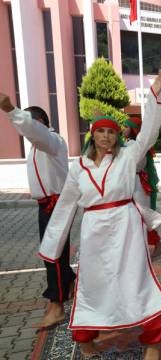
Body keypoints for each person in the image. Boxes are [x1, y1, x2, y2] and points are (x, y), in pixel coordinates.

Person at [38, 71, 161, 359]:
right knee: (93, 285)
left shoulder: (129, 156)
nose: (106, 136)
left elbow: (148, 132)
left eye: (111, 131)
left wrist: (155, 96)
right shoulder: (79, 169)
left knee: (136, 280)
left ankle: (153, 342)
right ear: (93, 135)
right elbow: (65, 207)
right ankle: (85, 341)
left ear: (117, 136)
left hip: (126, 226)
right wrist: (52, 246)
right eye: (101, 131)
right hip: (94, 230)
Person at [0, 93, 76, 329]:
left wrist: (11, 110)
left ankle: (57, 306)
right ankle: (69, 283)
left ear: (42, 123)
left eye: (32, 123)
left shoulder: (52, 140)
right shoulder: (36, 147)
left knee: (52, 254)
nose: (27, 131)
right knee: (54, 253)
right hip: (46, 205)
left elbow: (36, 132)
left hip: (57, 204)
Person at [122, 116, 161, 257]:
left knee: (141, 214)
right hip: (130, 183)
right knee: (136, 215)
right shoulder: (128, 144)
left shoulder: (134, 145)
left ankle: (155, 244)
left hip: (137, 183)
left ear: (134, 130)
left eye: (126, 126)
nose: (123, 129)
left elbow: (136, 165)